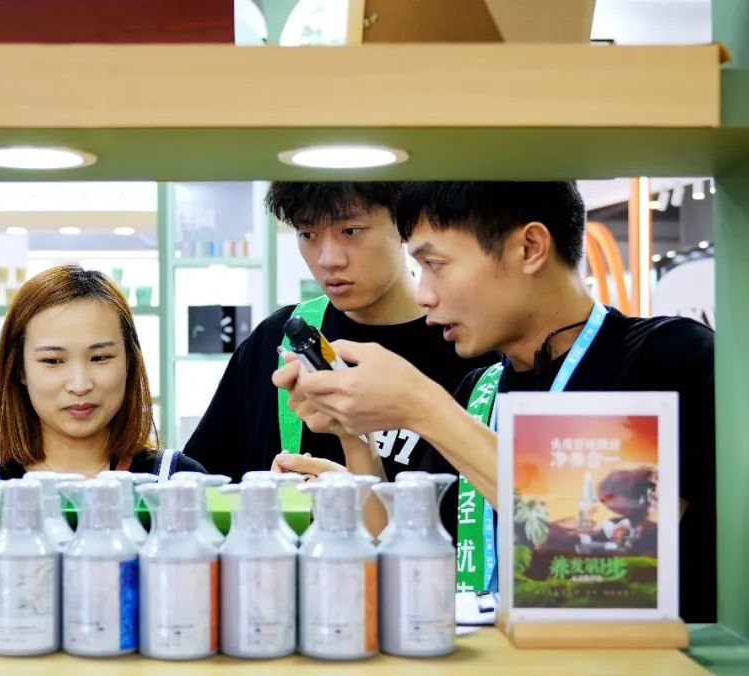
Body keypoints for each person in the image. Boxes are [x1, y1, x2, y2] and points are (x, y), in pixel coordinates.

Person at [274, 181, 715, 623]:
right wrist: (355, 440)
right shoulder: (479, 391)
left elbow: (610, 565)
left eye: (436, 264)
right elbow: (402, 549)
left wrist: (423, 407)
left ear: (530, 248)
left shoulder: (667, 359)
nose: (424, 294)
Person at [0, 265, 205, 605]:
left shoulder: (177, 483)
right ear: (19, 369)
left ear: (130, 361)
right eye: (53, 361)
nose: (80, 384)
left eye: (100, 357)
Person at [185, 182, 495, 484]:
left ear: (404, 226)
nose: (328, 260)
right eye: (308, 234)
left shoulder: (472, 344)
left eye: (351, 231)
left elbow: (513, 502)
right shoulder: (275, 339)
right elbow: (202, 483)